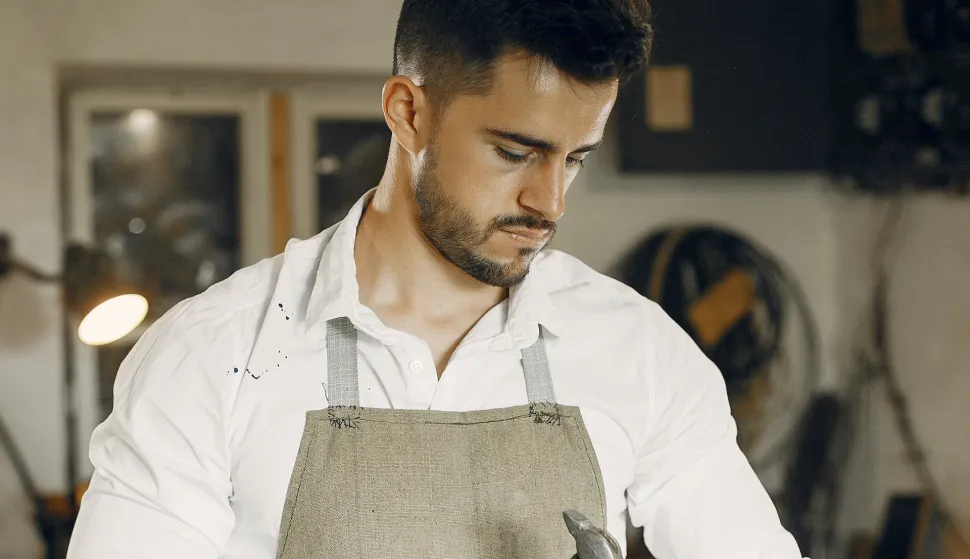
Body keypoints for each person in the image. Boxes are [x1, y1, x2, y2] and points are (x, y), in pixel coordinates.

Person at [67, 1, 806, 558]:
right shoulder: (212, 357)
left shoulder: (639, 351)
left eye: (574, 159)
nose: (547, 202)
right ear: (408, 112)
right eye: (516, 152)